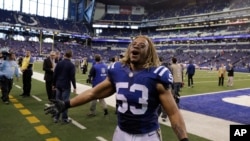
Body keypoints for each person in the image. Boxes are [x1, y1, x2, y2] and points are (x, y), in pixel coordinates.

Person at [45, 35, 189, 141]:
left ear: (149, 52)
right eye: (134, 44)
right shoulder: (117, 70)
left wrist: (184, 139)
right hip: (121, 132)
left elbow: (173, 113)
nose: (136, 46)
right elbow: (93, 93)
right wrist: (66, 104)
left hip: (147, 135)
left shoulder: (157, 74)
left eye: (142, 45)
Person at [52, 50, 77, 123]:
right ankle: (64, 118)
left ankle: (56, 117)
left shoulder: (59, 63)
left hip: (58, 84)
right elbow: (72, 77)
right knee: (65, 103)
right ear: (71, 56)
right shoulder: (71, 65)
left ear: (64, 55)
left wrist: (53, 84)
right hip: (66, 85)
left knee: (58, 101)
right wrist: (74, 87)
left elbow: (55, 74)